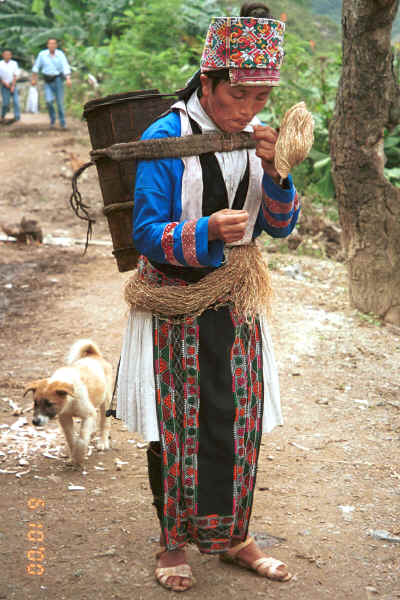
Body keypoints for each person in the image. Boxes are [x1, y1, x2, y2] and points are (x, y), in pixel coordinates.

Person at [117, 2, 300, 593]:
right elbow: (145, 232)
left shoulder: (257, 138)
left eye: (257, 99)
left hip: (237, 301)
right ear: (209, 81)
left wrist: (277, 175)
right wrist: (202, 232)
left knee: (237, 418)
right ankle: (172, 541)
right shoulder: (164, 138)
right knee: (176, 425)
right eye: (236, 96)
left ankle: (236, 536)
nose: (246, 111)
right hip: (175, 303)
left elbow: (278, 226)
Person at [31, 38, 71, 129]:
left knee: (59, 102)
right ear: (47, 45)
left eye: (54, 44)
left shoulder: (60, 54)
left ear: (56, 45)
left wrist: (68, 78)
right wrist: (34, 79)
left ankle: (62, 123)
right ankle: (52, 120)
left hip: (58, 80)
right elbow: (36, 67)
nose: (52, 45)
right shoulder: (42, 54)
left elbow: (65, 66)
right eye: (50, 43)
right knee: (49, 101)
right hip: (47, 80)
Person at [0, 49, 21, 123]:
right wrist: (5, 84)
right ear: (3, 55)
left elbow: (15, 75)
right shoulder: (0, 64)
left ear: (11, 56)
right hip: (4, 86)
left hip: (13, 85)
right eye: (5, 54)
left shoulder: (14, 63)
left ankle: (17, 117)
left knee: (16, 102)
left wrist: (12, 86)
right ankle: (2, 115)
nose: (7, 56)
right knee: (5, 103)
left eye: (8, 54)